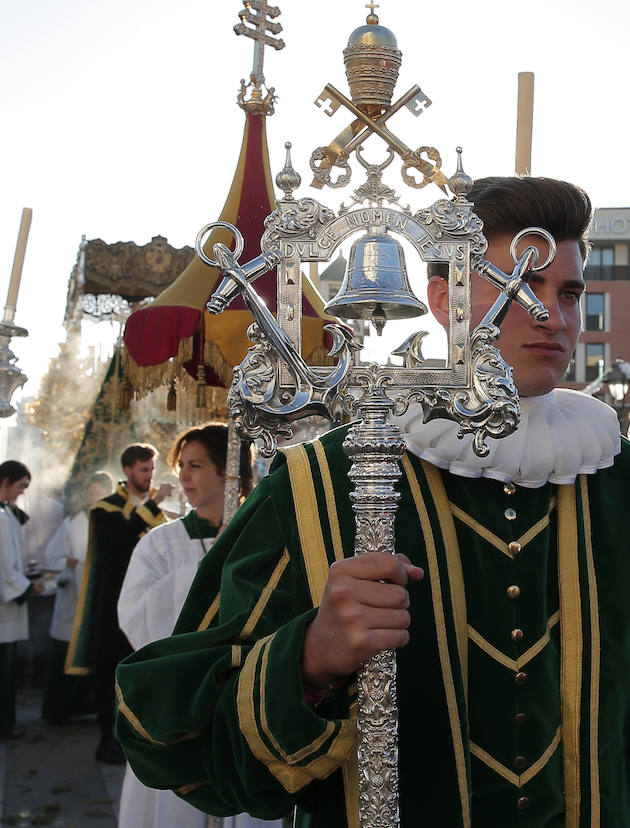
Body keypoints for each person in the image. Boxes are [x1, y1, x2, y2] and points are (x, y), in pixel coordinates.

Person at [115, 177, 630, 826]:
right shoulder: (323, 481)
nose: (551, 314)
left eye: (570, 292)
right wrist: (308, 657)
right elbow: (170, 732)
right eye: (520, 283)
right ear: (443, 299)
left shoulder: (614, 477)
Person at [117, 423, 282, 828]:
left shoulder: (262, 539)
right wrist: (209, 567)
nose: (184, 476)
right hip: (179, 701)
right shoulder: (159, 543)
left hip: (242, 700)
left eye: (195, 465)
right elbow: (136, 617)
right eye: (182, 466)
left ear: (228, 470)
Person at [66, 444, 173, 765]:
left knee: (138, 674)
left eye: (151, 469)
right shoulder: (105, 509)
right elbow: (121, 540)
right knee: (107, 676)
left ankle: (136, 739)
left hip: (148, 603)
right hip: (111, 607)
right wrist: (153, 503)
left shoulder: (159, 512)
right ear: (128, 471)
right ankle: (106, 741)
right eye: (143, 470)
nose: (149, 476)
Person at [41, 470, 113, 724]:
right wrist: (67, 563)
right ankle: (55, 710)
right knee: (64, 656)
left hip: (97, 599)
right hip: (73, 599)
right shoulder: (74, 522)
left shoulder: (111, 521)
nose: (95, 498)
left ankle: (79, 705)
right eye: (91, 493)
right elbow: (52, 556)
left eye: (99, 494)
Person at [0, 460, 45, 739]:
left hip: (7, 606)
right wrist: (29, 587)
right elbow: (5, 569)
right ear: (5, 482)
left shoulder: (7, 515)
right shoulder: (2, 519)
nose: (22, 492)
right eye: (21, 486)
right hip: (3, 610)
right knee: (4, 674)